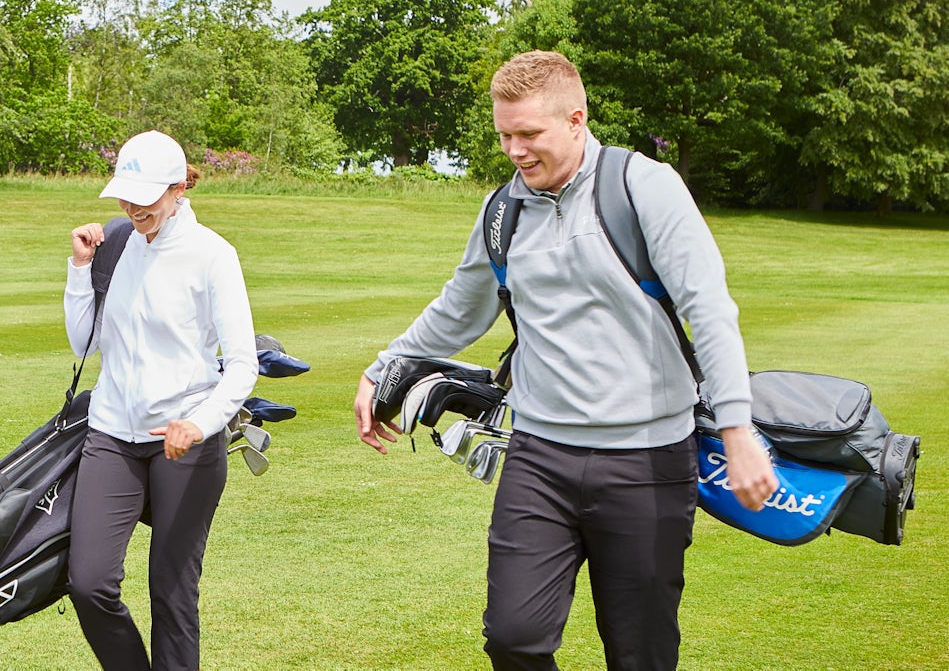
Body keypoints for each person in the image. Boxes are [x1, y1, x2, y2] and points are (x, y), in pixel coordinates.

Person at [351, 51, 779, 670]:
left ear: (577, 119)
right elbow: (461, 307)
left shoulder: (644, 187)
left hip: (647, 460)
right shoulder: (503, 211)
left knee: (641, 652)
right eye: (505, 135)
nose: (516, 150)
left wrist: (737, 432)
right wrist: (383, 366)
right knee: (513, 637)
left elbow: (708, 309)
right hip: (539, 457)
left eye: (530, 134)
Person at [63, 130, 258, 670]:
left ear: (177, 187)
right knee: (89, 582)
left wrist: (199, 424)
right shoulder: (118, 243)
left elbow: (243, 363)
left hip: (186, 443)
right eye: (126, 194)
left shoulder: (213, 255)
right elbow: (87, 342)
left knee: (172, 595)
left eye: (145, 196)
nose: (132, 206)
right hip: (111, 435)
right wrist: (80, 271)